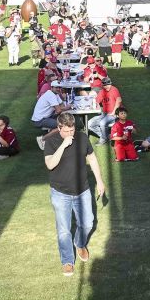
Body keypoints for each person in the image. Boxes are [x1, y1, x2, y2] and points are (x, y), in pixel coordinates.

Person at [42, 113, 109, 276]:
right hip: (60, 192)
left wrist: (99, 181)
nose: (70, 134)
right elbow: (50, 165)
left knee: (87, 222)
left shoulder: (82, 138)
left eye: (72, 130)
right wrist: (64, 145)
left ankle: (79, 243)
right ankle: (67, 261)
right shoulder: (51, 141)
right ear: (59, 128)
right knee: (64, 230)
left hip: (82, 190)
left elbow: (92, 158)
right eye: (66, 131)